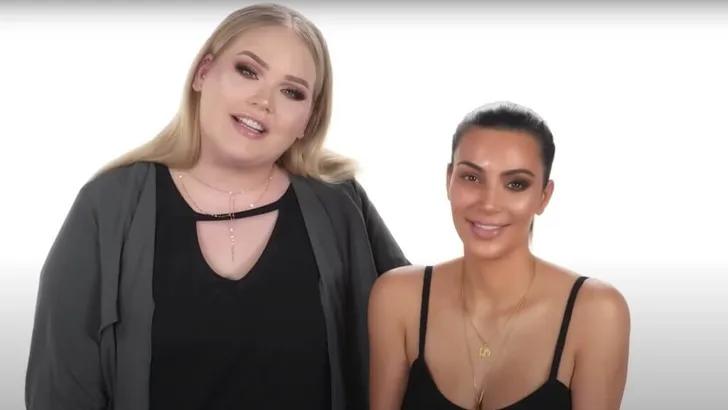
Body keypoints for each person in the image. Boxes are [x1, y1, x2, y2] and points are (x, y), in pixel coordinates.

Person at [25, 4, 409, 410]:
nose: (263, 101)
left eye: (291, 92)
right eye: (248, 71)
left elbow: (423, 328)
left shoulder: (340, 204)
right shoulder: (108, 205)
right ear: (202, 73)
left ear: (308, 122)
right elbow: (61, 387)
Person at [368, 102, 631, 410]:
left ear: (543, 197)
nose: (489, 203)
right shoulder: (398, 299)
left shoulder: (595, 313)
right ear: (449, 180)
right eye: (471, 177)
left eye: (516, 184)